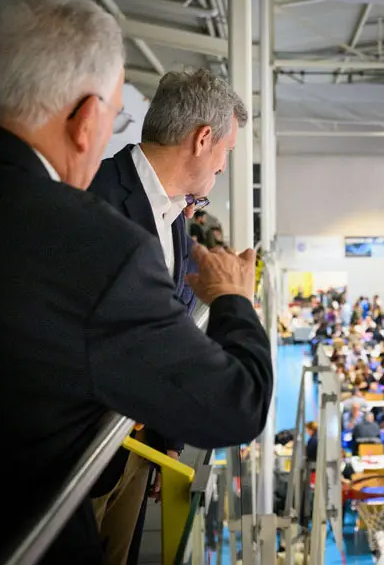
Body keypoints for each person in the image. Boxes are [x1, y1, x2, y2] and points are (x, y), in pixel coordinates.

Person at [0, 0, 273, 564]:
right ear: (86, 119)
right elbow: (238, 404)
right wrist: (234, 300)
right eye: (111, 118)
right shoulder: (93, 241)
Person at [87, 67, 246, 565]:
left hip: (139, 450)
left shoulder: (174, 215)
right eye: (226, 155)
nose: (222, 169)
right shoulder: (99, 198)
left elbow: (166, 333)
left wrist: (166, 438)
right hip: (85, 457)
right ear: (203, 139)